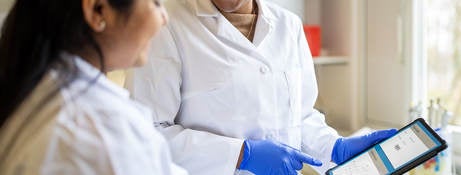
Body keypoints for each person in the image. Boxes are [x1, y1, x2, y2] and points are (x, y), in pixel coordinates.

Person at [126, 0, 397, 174]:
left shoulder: (288, 25)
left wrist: (335, 148)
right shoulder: (166, 25)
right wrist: (241, 154)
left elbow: (300, 116)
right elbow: (144, 133)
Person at [0, 0, 188, 174]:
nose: (164, 18)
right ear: (98, 10)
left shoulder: (37, 88)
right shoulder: (102, 131)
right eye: (155, 3)